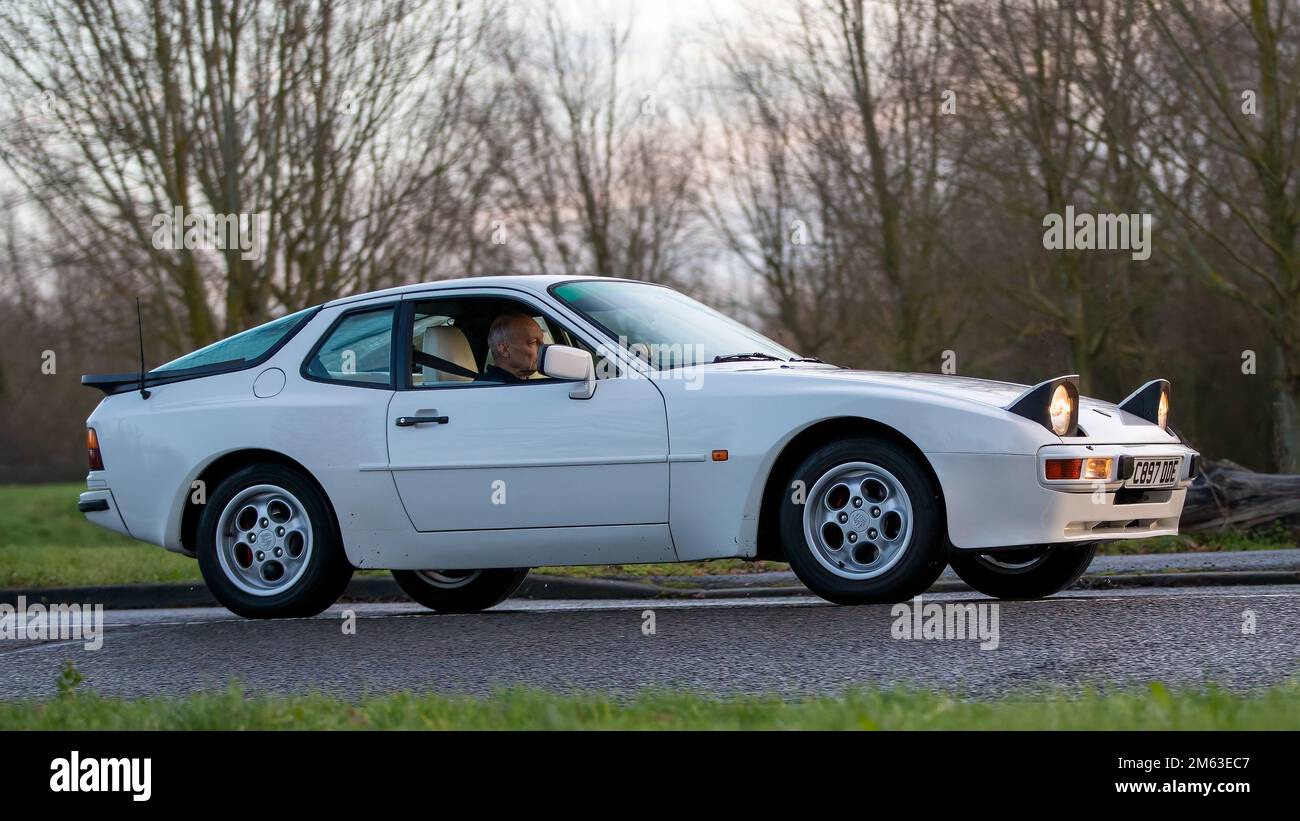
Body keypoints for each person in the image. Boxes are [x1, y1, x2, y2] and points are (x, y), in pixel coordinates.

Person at [478, 313, 544, 382]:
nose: (543, 347)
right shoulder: (491, 389)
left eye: (542, 340)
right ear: (505, 350)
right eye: (533, 342)